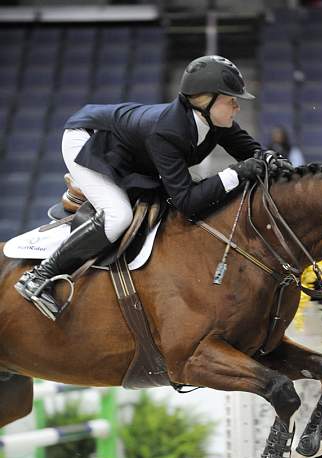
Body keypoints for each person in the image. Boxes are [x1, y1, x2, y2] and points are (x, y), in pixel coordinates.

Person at [15, 55, 293, 320]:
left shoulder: (216, 120)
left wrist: (270, 159)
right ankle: (39, 276)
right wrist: (235, 173)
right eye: (231, 100)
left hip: (130, 148)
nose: (237, 106)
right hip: (87, 139)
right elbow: (186, 201)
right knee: (118, 215)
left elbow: (250, 150)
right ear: (205, 101)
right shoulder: (168, 131)